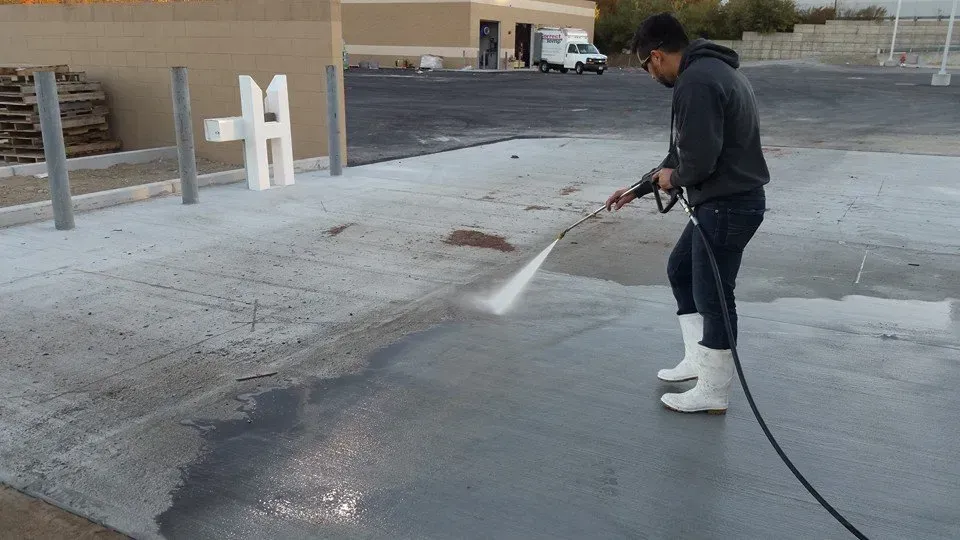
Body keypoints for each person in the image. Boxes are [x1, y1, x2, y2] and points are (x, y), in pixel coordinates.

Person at [605, 13, 770, 414]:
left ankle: (714, 390)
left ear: (657, 56)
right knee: (681, 271)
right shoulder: (713, 72)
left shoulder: (696, 83)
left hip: (727, 205)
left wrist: (673, 178)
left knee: (714, 295)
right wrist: (638, 188)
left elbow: (695, 163)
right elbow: (683, 151)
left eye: (646, 67)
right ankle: (698, 360)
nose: (650, 75)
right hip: (723, 202)